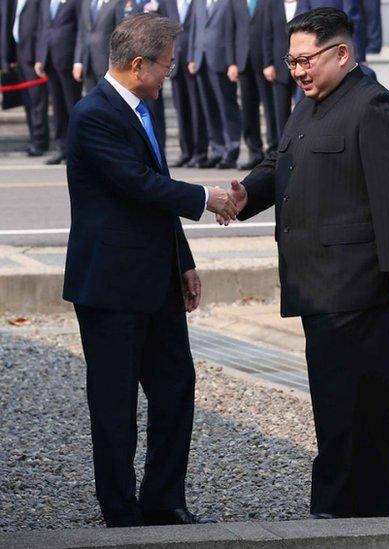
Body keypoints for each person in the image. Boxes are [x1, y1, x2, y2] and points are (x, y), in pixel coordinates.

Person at [225, 7, 389, 518]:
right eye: (292, 62)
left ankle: (350, 508)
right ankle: (357, 505)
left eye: (306, 60)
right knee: (336, 400)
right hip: (316, 281)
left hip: (359, 283)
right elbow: (278, 162)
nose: (298, 71)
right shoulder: (309, 104)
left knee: (360, 404)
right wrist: (243, 196)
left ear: (341, 53)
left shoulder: (373, 105)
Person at [63, 12, 238, 527]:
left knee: (175, 389)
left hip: (157, 280)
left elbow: (153, 195)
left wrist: (182, 261)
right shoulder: (94, 115)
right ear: (138, 64)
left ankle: (163, 499)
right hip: (112, 286)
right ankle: (121, 511)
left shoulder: (141, 109)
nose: (171, 74)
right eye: (165, 65)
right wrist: (207, 198)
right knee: (116, 405)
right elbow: (139, 184)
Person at [187, 0, 241, 169]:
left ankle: (231, 151)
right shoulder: (199, 2)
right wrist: (191, 56)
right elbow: (194, 28)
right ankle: (217, 150)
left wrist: (233, 62)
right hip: (200, 60)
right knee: (209, 109)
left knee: (226, 108)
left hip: (222, 60)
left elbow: (235, 29)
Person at [159, 0, 208, 167]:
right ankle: (186, 152)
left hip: (193, 60)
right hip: (175, 62)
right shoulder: (167, 3)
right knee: (181, 110)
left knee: (197, 110)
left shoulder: (197, 3)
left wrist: (195, 56)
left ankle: (200, 152)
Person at [34, 0, 81, 164]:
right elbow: (42, 28)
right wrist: (40, 57)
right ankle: (61, 147)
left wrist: (78, 60)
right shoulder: (45, 2)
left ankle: (76, 149)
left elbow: (81, 29)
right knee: (57, 107)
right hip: (49, 60)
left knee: (72, 106)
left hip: (67, 60)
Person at [0, 0, 49, 156]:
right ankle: (33, 139)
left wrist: (40, 57)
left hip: (33, 55)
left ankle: (40, 141)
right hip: (20, 53)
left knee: (37, 101)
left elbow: (43, 26)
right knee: (28, 101)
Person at [233, 0, 276, 169]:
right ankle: (254, 152)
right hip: (243, 61)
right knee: (248, 110)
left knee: (270, 108)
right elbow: (231, 31)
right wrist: (232, 62)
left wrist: (270, 61)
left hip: (265, 61)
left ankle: (274, 150)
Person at [263, 0, 297, 137]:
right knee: (281, 112)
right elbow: (267, 34)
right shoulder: (273, 4)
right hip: (279, 66)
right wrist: (268, 63)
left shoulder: (304, 3)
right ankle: (284, 148)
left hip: (303, 64)